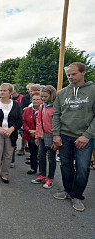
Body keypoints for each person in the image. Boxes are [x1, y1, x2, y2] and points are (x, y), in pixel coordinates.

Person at [52, 62, 95, 211]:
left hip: (85, 138)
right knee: (66, 166)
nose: (70, 77)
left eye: (73, 74)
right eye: (68, 74)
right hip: (64, 136)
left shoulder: (93, 90)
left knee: (83, 168)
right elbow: (56, 114)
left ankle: (77, 195)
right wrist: (56, 134)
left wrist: (87, 135)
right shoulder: (62, 93)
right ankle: (68, 191)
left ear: (83, 73)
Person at [0, 83, 22, 186]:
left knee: (8, 155)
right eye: (1, 90)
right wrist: (1, 129)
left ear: (10, 92)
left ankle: (4, 175)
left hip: (11, 134)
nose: (2, 92)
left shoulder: (15, 104)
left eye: (4, 90)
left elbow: (19, 120)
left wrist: (11, 129)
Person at [32, 85, 57, 188]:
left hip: (51, 135)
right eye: (42, 96)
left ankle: (50, 178)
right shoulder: (42, 106)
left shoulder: (56, 106)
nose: (43, 99)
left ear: (51, 96)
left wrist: (56, 138)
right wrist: (37, 136)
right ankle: (42, 174)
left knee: (51, 158)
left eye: (45, 96)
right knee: (41, 156)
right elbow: (39, 122)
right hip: (41, 135)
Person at [23, 91, 42, 175]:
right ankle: (33, 168)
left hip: (41, 136)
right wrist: (28, 130)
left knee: (41, 154)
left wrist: (37, 132)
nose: (35, 101)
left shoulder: (44, 109)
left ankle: (42, 171)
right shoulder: (27, 110)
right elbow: (23, 121)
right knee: (33, 152)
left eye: (38, 99)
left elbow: (45, 123)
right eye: (33, 99)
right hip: (30, 135)